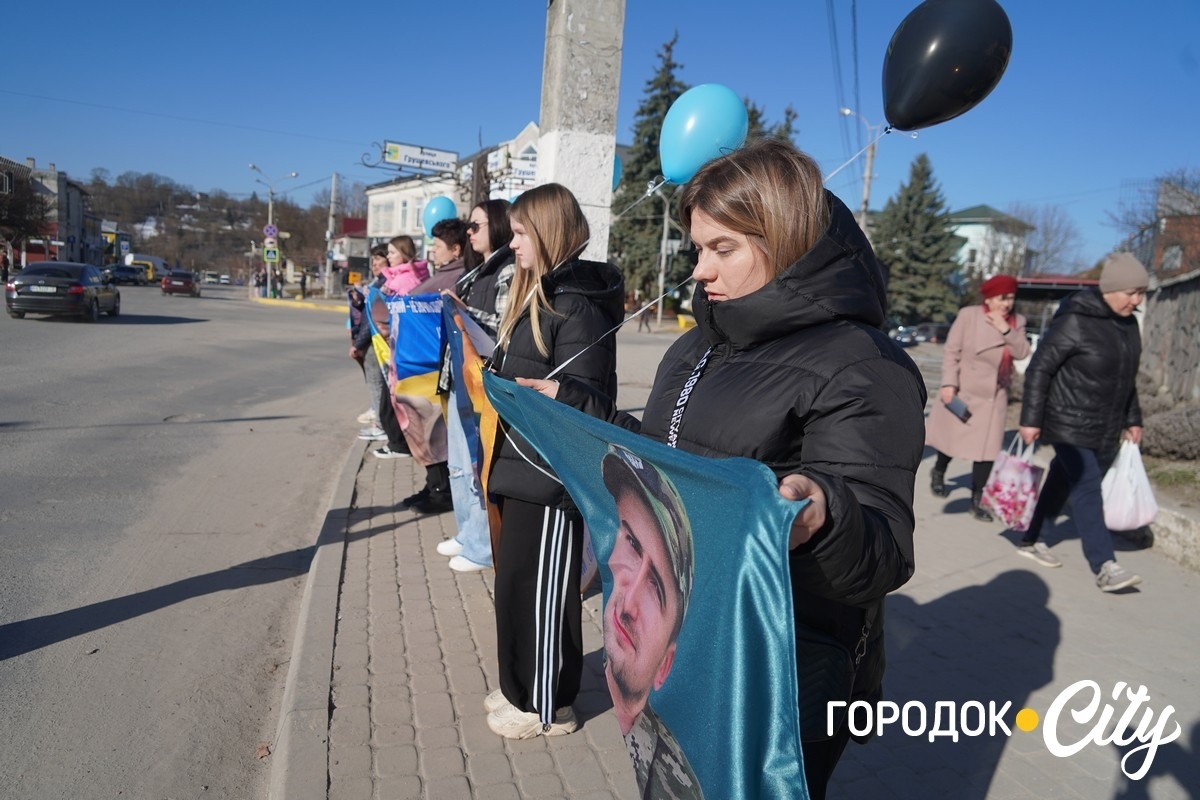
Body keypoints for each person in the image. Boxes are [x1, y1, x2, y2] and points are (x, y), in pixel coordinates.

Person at [528, 137, 925, 798]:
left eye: (723, 249)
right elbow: (671, 465)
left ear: (785, 238)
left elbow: (883, 552)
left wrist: (820, 514)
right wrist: (575, 409)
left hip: (779, 667)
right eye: (697, 249)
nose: (699, 272)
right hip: (689, 637)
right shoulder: (698, 345)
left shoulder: (861, 363)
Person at [483, 183, 625, 740]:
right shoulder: (536, 294)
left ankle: (549, 705)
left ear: (547, 232)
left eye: (520, 233)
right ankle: (523, 683)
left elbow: (594, 402)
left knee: (545, 593)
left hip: (549, 474)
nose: (511, 243)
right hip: (518, 461)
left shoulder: (578, 307)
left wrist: (557, 396)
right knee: (517, 583)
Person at [1017, 252, 1149, 591]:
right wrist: (1031, 419)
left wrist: (1133, 418)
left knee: (1062, 479)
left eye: (1141, 293)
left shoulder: (1128, 324)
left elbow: (1126, 377)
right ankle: (1105, 566)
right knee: (1088, 485)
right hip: (1067, 419)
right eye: (1131, 292)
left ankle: (1031, 538)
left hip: (1103, 424)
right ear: (1111, 289)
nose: (1136, 301)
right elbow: (1039, 369)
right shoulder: (1076, 320)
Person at [601, 444, 703, 799]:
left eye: (656, 589)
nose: (627, 602)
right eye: (631, 542)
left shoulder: (675, 786)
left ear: (666, 665)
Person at [433, 200, 517, 569]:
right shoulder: (477, 270)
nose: (468, 232)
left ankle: (483, 546)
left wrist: (463, 310)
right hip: (460, 376)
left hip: (482, 381)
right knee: (458, 462)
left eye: (476, 225)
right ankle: (468, 532)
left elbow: (502, 328)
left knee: (476, 462)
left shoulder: (506, 270)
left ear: (497, 226)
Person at [394, 218, 482, 516]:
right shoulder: (445, 274)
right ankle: (434, 486)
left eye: (437, 246)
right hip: (426, 363)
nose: (432, 251)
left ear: (456, 249)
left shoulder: (458, 277)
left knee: (437, 430)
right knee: (431, 429)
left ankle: (441, 490)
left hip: (433, 364)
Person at [925, 274, 1031, 521]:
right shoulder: (969, 315)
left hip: (995, 396)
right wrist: (949, 383)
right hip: (964, 390)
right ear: (990, 297)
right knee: (951, 443)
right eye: (1002, 298)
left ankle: (977, 499)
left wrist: (1006, 329)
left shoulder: (1017, 321)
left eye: (1011, 298)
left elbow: (1022, 352)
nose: (1007, 303)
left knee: (987, 451)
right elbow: (952, 351)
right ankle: (939, 471)